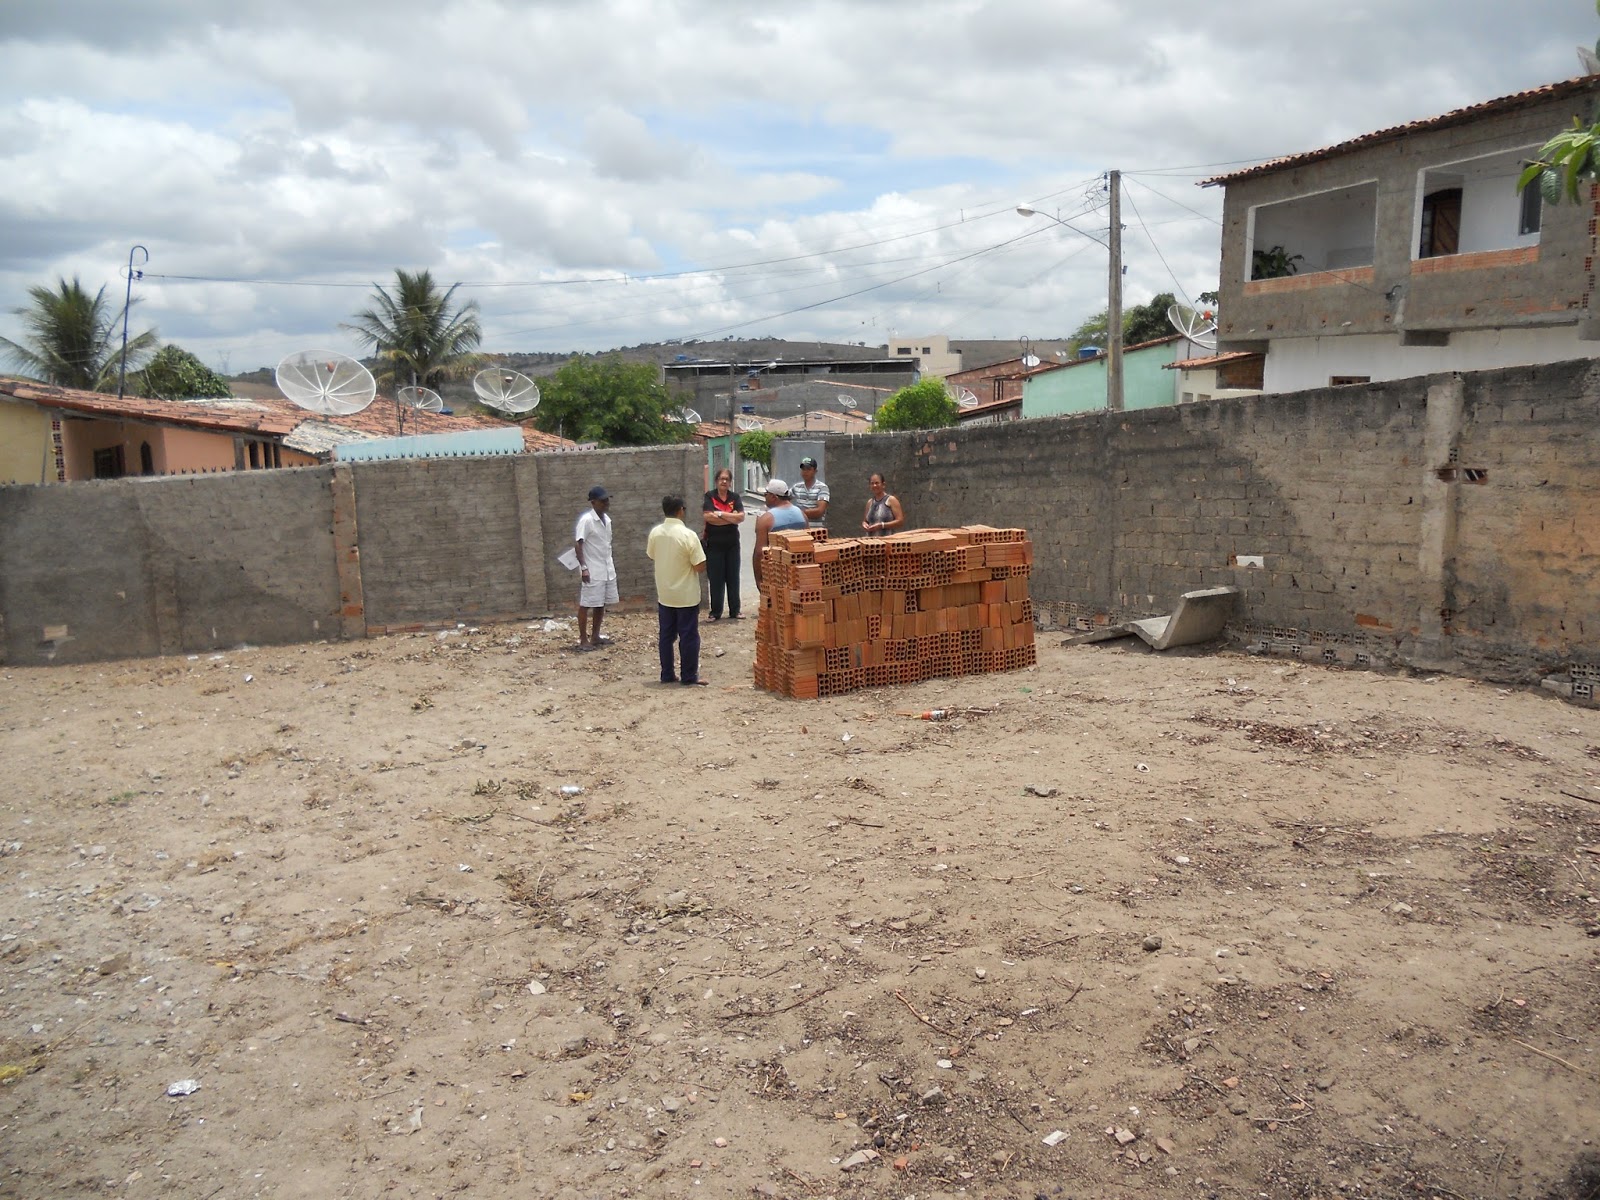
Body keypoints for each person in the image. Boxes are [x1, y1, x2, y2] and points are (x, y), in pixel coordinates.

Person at [647, 495, 708, 686]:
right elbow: (699, 566)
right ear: (681, 510)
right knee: (688, 636)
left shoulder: (655, 533)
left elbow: (652, 555)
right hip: (686, 595)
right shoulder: (688, 535)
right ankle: (688, 676)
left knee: (666, 636)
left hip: (665, 593)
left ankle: (667, 674)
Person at [573, 484, 616, 651]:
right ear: (593, 502)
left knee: (600, 603)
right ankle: (583, 640)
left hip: (606, 568)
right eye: (602, 501)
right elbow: (578, 544)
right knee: (586, 604)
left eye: (607, 500)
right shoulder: (586, 520)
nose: (606, 503)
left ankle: (595, 636)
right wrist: (583, 567)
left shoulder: (607, 520)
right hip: (592, 569)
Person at [701, 466, 745, 621]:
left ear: (730, 482)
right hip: (714, 544)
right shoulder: (710, 496)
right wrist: (730, 517)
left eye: (727, 479)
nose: (724, 481)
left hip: (732, 544)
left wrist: (719, 514)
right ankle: (715, 612)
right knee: (716, 579)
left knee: (733, 577)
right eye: (721, 479)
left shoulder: (735, 497)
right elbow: (708, 517)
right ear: (716, 481)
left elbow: (741, 518)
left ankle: (735, 610)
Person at [752, 478, 808, 590]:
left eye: (766, 494)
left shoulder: (766, 519)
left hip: (776, 577)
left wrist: (759, 580)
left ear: (774, 497)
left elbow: (759, 553)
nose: (765, 497)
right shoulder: (802, 515)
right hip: (800, 576)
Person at [791, 456, 830, 529]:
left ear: (815, 471)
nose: (805, 472)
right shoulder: (796, 487)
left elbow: (819, 511)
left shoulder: (822, 488)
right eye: (803, 469)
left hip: (816, 531)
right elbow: (783, 499)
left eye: (808, 469)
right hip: (800, 530)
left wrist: (796, 513)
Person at [862, 472, 904, 536]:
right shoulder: (870, 502)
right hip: (871, 540)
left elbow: (900, 521)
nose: (874, 485)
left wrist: (882, 525)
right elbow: (866, 520)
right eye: (872, 483)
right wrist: (864, 524)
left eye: (877, 483)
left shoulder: (891, 500)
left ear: (883, 484)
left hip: (887, 539)